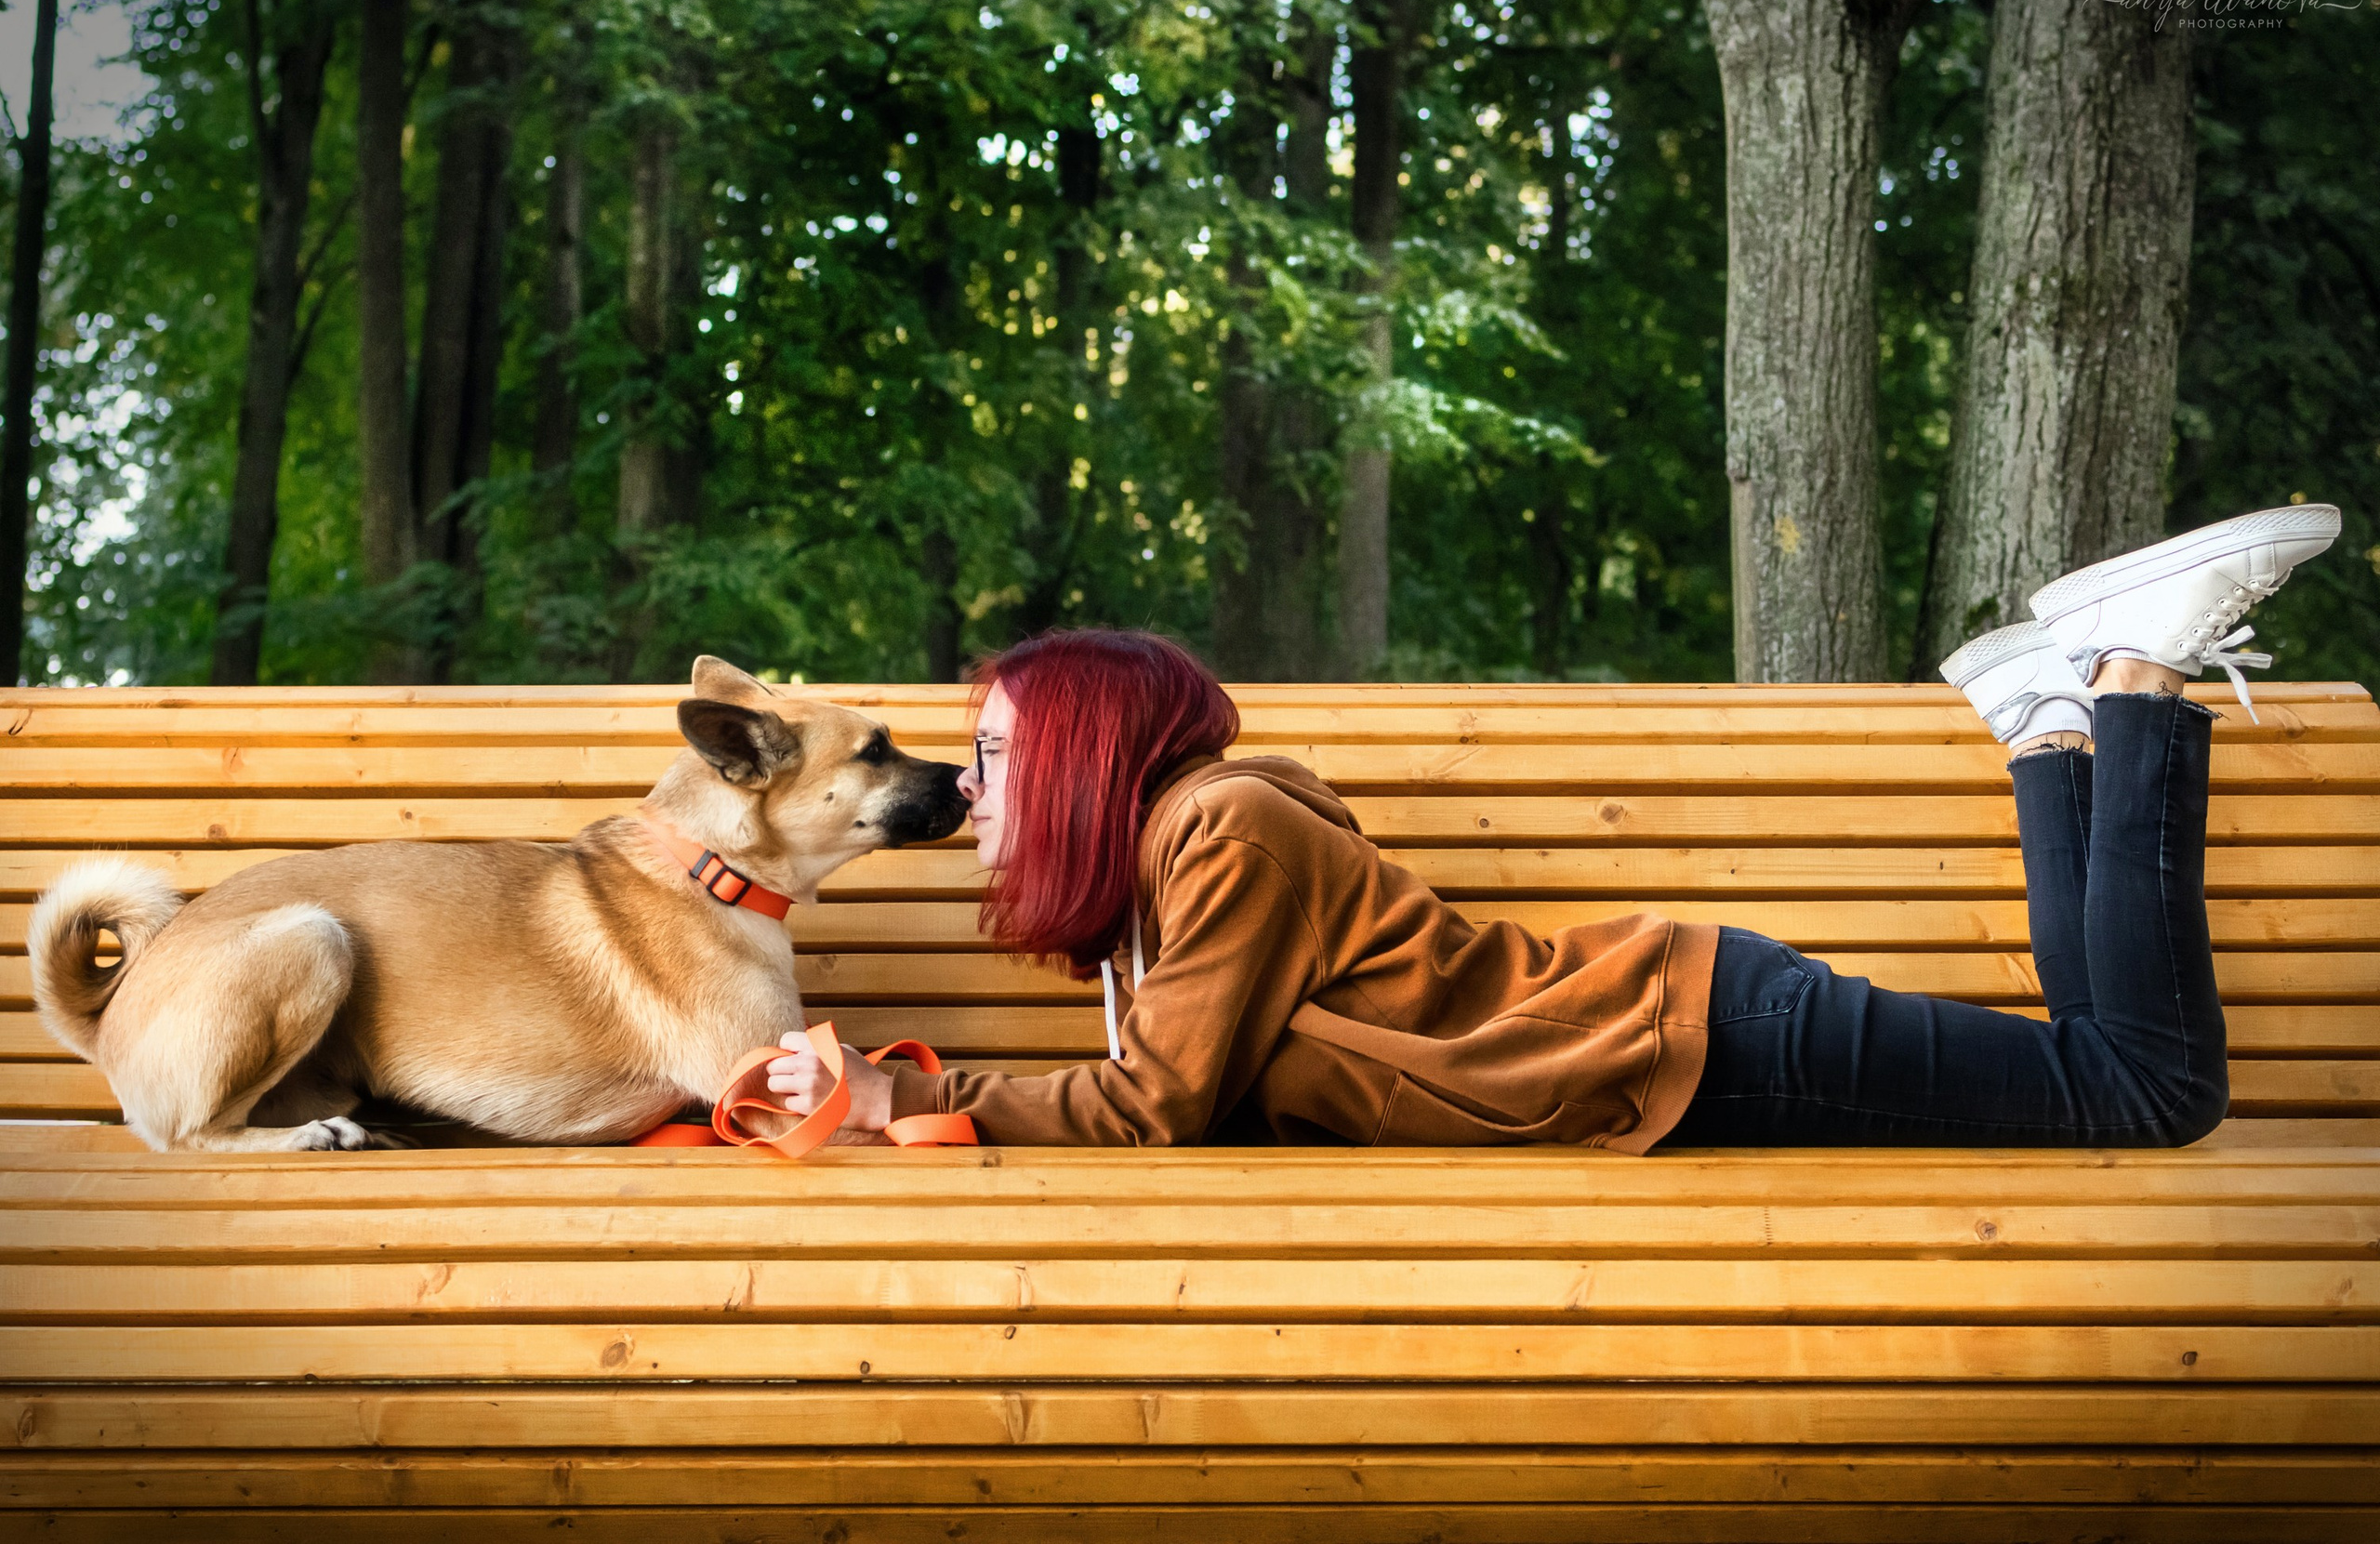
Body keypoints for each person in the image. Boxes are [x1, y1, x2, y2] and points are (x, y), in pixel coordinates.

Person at [765, 504, 2342, 1150]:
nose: (975, 793)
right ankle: (2046, 719)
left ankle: (2135, 672)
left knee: (2146, 1089)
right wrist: (900, 1092)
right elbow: (1183, 1089)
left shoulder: (1222, 831)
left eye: (998, 757)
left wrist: (911, 1100)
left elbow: (1158, 1103)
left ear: (1089, 760)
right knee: (2104, 1065)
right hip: (1675, 1040)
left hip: (1695, 1036)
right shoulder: (1178, 863)